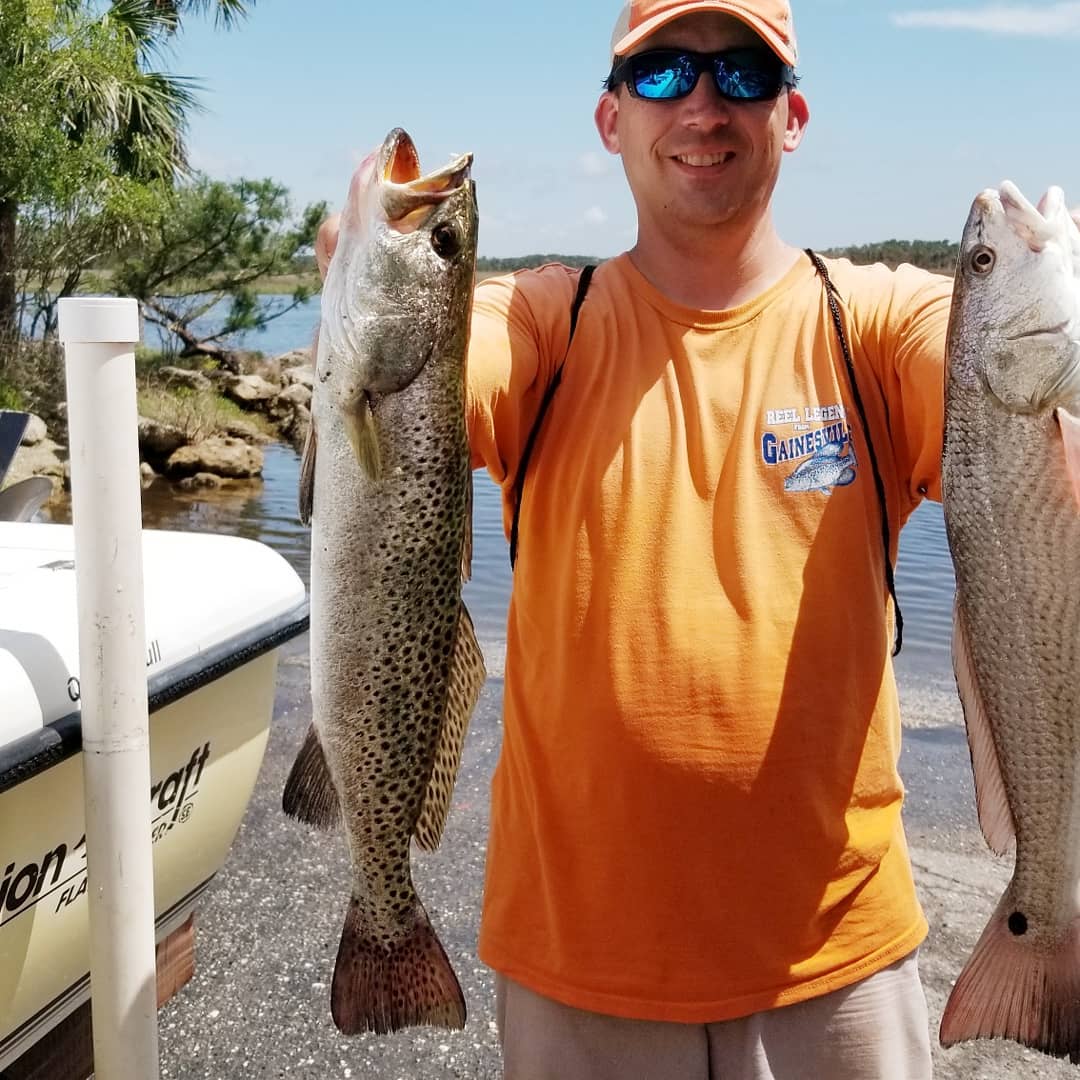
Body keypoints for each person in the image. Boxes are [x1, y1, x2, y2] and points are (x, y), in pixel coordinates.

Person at [317, 2, 957, 1076]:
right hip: (577, 967)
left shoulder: (880, 323)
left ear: (791, 116)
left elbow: (1014, 392)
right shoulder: (538, 322)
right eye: (662, 73)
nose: (703, 103)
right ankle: (383, 906)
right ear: (611, 120)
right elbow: (424, 375)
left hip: (837, 962)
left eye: (743, 74)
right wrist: (377, 279)